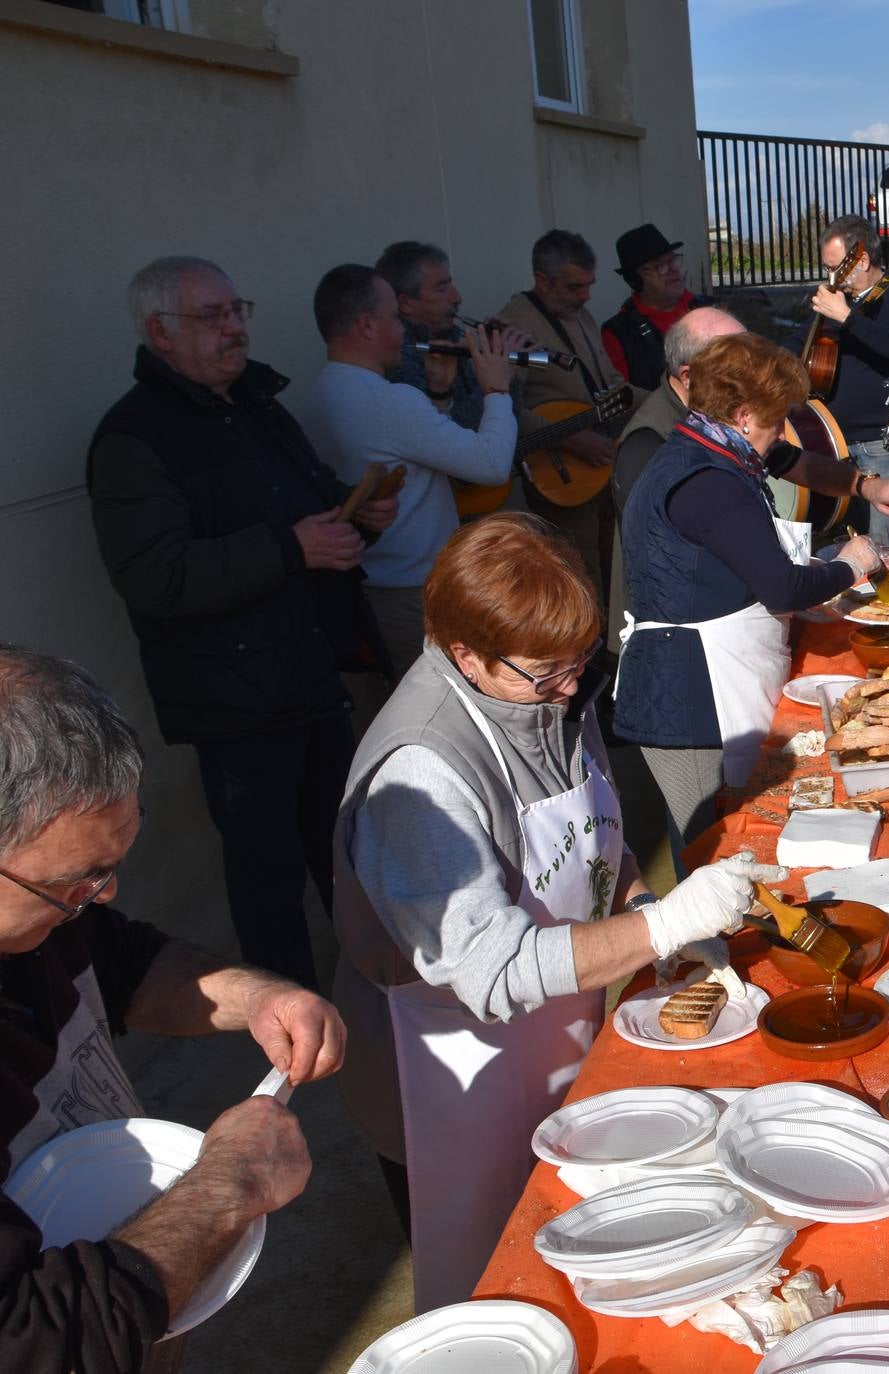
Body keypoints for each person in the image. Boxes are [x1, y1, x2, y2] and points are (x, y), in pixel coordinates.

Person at [330, 512, 779, 1311]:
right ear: (464, 653)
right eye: (546, 672)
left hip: (554, 1031)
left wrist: (651, 910)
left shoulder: (548, 696)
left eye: (581, 662)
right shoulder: (423, 774)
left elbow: (593, 843)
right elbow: (490, 970)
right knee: (493, 1285)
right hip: (445, 1066)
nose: (570, 688)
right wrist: (664, 925)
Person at [0, 646, 345, 1373]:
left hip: (137, 1305)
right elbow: (35, 1342)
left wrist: (256, 995)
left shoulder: (38, 913)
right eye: (77, 880)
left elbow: (119, 960)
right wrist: (229, 1185)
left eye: (114, 863)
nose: (105, 895)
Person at [87, 256, 398, 988]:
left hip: (309, 670)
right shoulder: (135, 438)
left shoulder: (259, 405)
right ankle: (290, 1022)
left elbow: (312, 512)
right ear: (160, 333)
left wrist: (360, 515)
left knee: (342, 853)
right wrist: (291, 547)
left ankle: (373, 995)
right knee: (266, 877)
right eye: (213, 316)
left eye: (237, 310)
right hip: (234, 698)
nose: (234, 328)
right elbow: (154, 576)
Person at [613, 333, 884, 846]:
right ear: (741, 415)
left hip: (707, 676)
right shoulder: (707, 481)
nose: (781, 430)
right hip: (690, 699)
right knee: (709, 843)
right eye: (776, 417)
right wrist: (852, 565)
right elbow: (781, 587)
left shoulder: (708, 450)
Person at [299, 264, 520, 678]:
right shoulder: (388, 399)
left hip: (371, 584)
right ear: (367, 325)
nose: (403, 330)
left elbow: (408, 454)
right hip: (411, 590)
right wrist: (497, 388)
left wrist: (437, 395)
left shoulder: (319, 391)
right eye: (394, 318)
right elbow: (491, 465)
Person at [613, 308, 889, 535]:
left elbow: (796, 462)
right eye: (735, 366)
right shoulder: (647, 441)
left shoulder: (722, 412)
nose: (751, 374)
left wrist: (866, 486)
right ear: (689, 377)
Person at [496, 230, 629, 598]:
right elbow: (501, 405)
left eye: (589, 285)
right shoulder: (512, 325)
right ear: (542, 280)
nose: (585, 296)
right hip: (561, 474)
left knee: (612, 565)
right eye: (574, 287)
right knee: (578, 573)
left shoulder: (580, 315)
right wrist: (570, 438)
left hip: (602, 465)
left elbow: (613, 384)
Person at [806, 215, 889, 543]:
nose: (831, 277)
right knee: (853, 542)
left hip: (880, 441)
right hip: (838, 440)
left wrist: (845, 317)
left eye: (835, 268)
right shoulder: (839, 299)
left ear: (861, 259)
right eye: (827, 268)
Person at [378, 240, 531, 433]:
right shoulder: (401, 358)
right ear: (406, 304)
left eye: (452, 286)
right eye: (441, 289)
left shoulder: (453, 337)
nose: (457, 298)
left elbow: (506, 427)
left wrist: (499, 360)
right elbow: (460, 435)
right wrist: (501, 378)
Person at [600, 222, 710, 391]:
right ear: (634, 280)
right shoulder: (618, 333)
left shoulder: (712, 308)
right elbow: (626, 398)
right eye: (660, 266)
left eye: (673, 260)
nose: (672, 270)